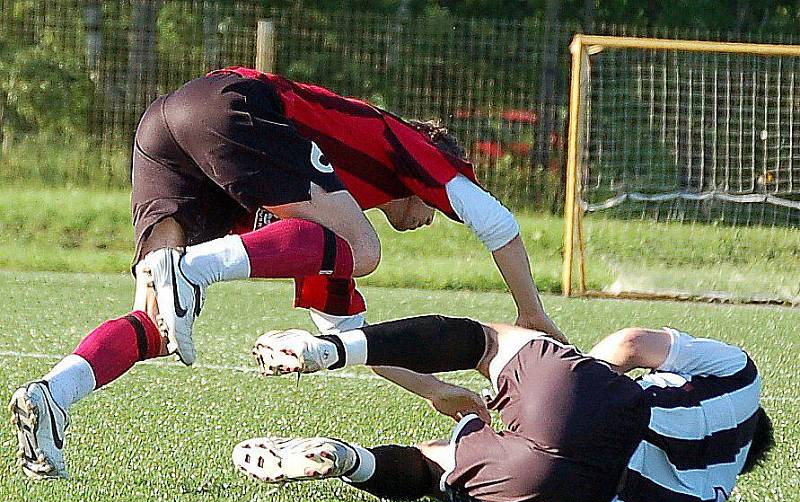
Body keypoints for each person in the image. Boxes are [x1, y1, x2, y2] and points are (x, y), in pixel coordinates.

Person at [10, 68, 563, 480]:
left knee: (152, 323)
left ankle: (52, 395)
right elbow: (497, 221)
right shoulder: (409, 146)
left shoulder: (320, 218)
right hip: (232, 103)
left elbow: (348, 338)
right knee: (364, 250)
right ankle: (191, 270)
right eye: (431, 210)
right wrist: (531, 312)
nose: (429, 219)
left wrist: (434, 389)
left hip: (162, 128)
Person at [236, 318, 772, 502]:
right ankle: (347, 460)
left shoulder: (742, 381)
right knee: (433, 470)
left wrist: (575, 380)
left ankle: (329, 350)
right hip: (574, 488)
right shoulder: (715, 493)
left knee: (485, 342)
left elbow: (633, 344)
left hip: (605, 408)